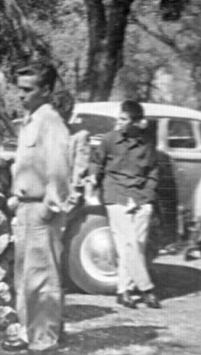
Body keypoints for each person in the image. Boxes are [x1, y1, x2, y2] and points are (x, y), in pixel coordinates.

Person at [2, 62, 70, 353]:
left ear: (46, 90)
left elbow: (60, 168)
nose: (20, 95)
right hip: (26, 207)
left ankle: (44, 341)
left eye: (27, 89)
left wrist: (50, 206)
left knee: (43, 278)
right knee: (26, 276)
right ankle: (29, 333)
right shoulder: (31, 119)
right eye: (19, 88)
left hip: (42, 210)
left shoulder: (50, 120)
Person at [88, 100, 160, 309]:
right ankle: (146, 289)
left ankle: (123, 290)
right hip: (116, 195)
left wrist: (146, 198)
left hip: (140, 197)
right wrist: (93, 177)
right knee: (128, 243)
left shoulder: (147, 144)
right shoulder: (109, 140)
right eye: (119, 118)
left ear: (136, 123)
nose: (118, 123)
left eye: (124, 119)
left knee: (136, 245)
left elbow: (153, 173)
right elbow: (96, 162)